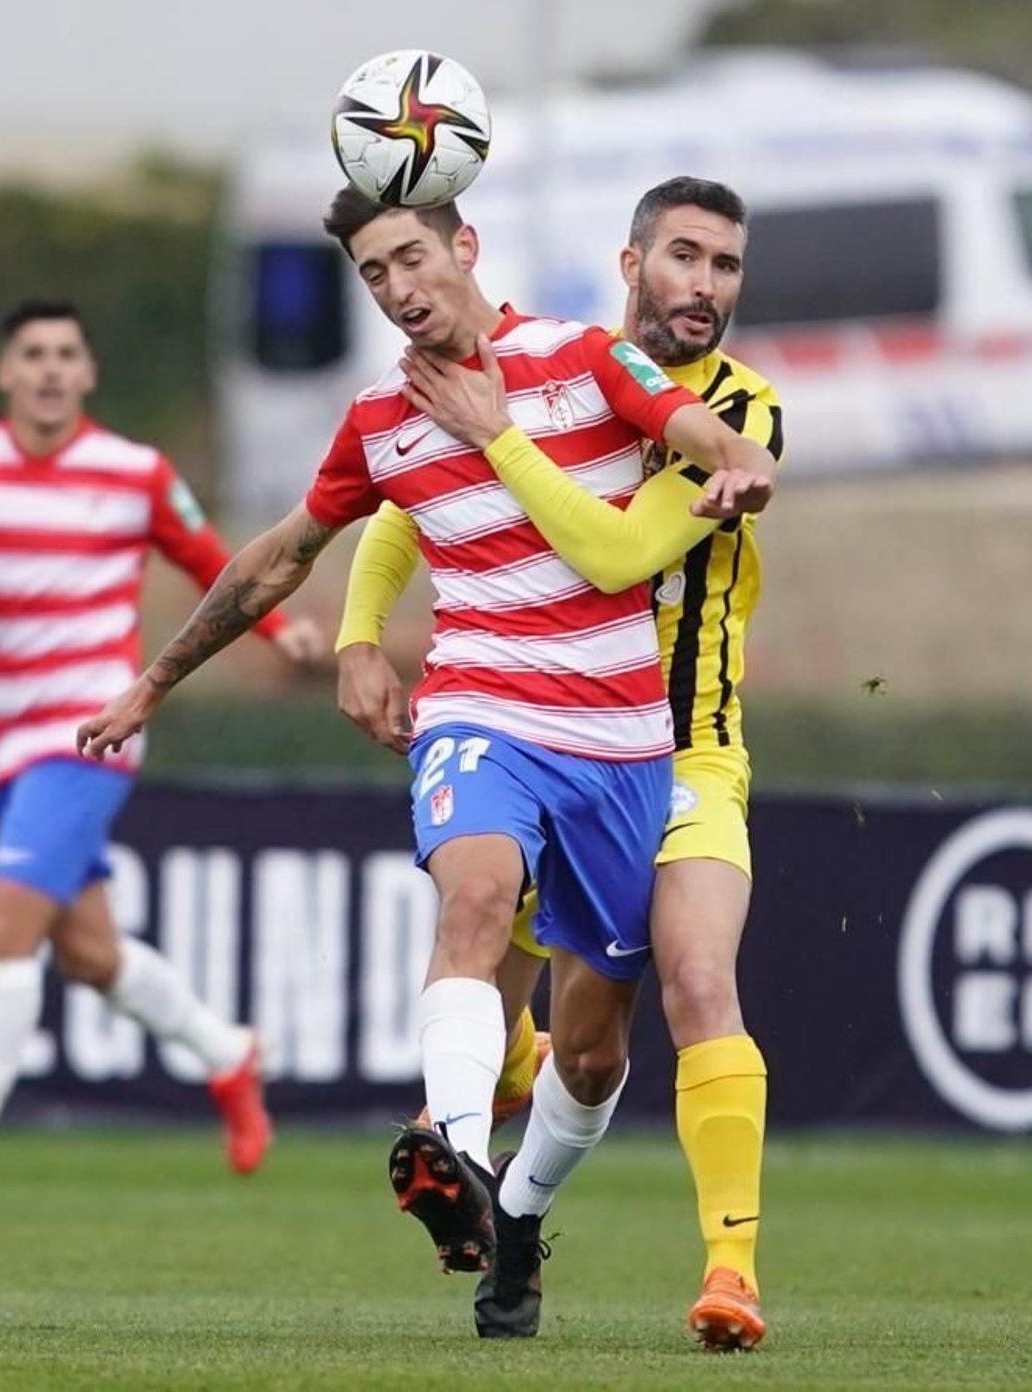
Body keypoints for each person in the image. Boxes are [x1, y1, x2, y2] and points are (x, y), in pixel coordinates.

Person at [73, 187, 774, 1337]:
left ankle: (518, 1220)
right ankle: (452, 1158)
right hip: (478, 714)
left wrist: (736, 458)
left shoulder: (579, 358)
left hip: (625, 744)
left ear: (465, 247)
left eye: (410, 258)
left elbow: (696, 433)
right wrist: (154, 681)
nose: (397, 288)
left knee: (593, 1052)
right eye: (372, 273)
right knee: (477, 895)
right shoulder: (377, 421)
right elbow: (279, 559)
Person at [334, 177, 778, 1350]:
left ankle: (597, 1235)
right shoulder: (542, 363)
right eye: (683, 256)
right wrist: (356, 634)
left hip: (674, 754)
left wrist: (498, 435)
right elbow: (398, 513)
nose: (704, 285)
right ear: (630, 265)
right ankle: (472, 1151)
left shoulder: (738, 415)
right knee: (482, 928)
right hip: (529, 727)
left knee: (632, 1020)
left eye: (726, 267)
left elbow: (617, 556)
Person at [0, 298, 325, 1211]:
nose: (48, 369)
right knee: (90, 954)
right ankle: (229, 1053)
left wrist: (282, 638)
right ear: (5, 372)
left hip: (87, 734)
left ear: (88, 373)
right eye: (31, 353)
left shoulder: (135, 473)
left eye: (66, 353)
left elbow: (212, 567)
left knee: (2, 925)